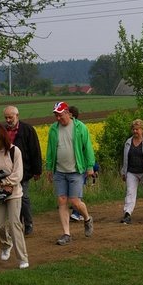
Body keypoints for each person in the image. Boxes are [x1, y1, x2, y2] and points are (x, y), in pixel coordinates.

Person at [45, 101, 96, 245]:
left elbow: (88, 148)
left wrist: (90, 166)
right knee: (61, 200)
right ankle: (66, 234)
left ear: (67, 113)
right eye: (56, 115)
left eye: (60, 115)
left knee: (75, 202)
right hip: (59, 171)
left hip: (76, 171)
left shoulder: (80, 128)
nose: (58, 118)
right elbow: (50, 150)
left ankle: (87, 218)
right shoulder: (53, 129)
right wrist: (49, 167)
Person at [0, 124, 29, 269]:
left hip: (14, 194)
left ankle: (22, 258)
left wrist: (8, 183)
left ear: (3, 138)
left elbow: (18, 173)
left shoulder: (15, 151)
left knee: (15, 224)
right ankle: (6, 244)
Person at [3, 105, 42, 236]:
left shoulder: (27, 130)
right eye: (6, 118)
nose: (8, 120)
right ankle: (16, 223)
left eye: (10, 117)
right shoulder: (2, 131)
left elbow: (35, 150)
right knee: (11, 199)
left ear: (17, 116)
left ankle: (28, 223)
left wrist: (37, 170)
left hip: (24, 171)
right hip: (7, 172)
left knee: (23, 197)